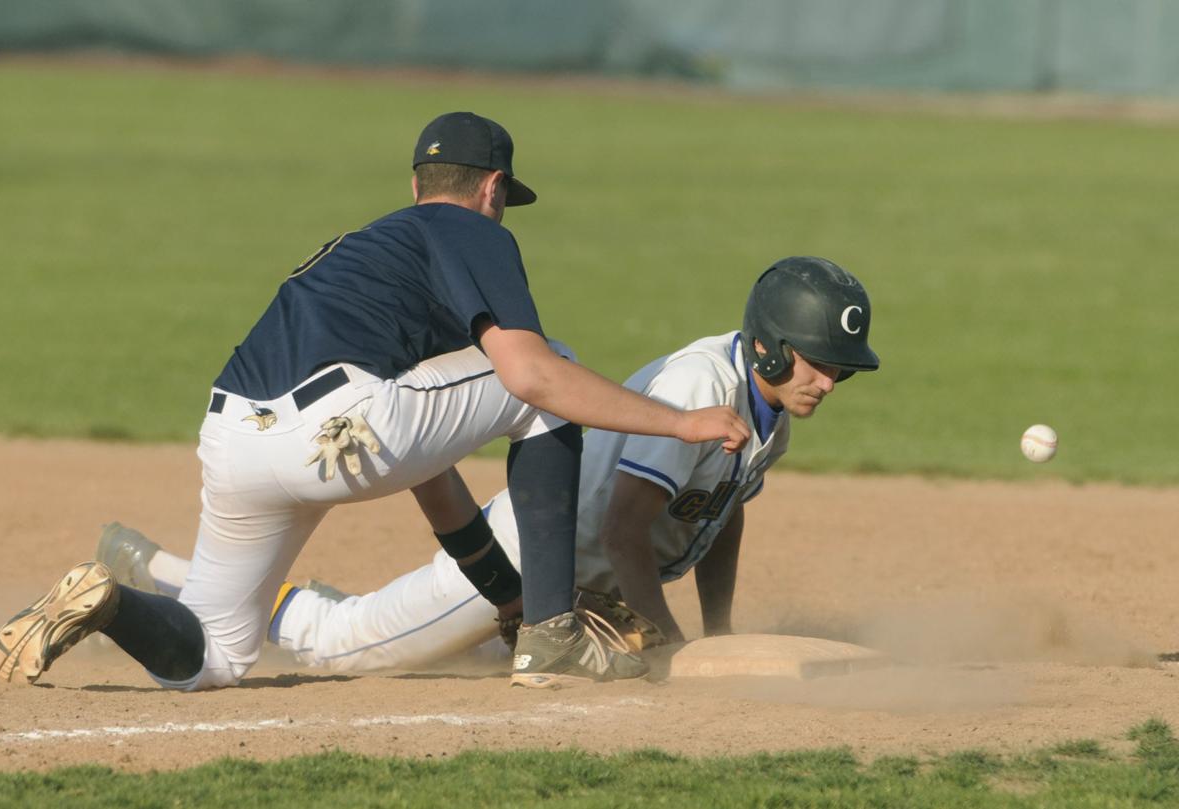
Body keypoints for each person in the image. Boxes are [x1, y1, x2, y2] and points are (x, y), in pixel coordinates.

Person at [0, 111, 750, 691]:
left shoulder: (366, 256)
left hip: (234, 437)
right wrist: (682, 420)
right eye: (503, 199)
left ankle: (109, 602)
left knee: (213, 654)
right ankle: (555, 636)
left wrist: (504, 595)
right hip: (342, 425)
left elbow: (431, 470)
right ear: (491, 190)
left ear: (416, 186)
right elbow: (532, 380)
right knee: (555, 370)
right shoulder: (472, 231)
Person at [90, 257, 879, 677]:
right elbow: (624, 528)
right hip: (522, 562)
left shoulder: (768, 413)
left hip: (579, 587)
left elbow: (722, 513)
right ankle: (157, 570)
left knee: (455, 659)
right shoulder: (700, 387)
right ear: (771, 346)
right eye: (819, 361)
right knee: (346, 643)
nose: (829, 380)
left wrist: (720, 630)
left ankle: (191, 579)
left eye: (840, 370)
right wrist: (671, 646)